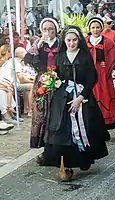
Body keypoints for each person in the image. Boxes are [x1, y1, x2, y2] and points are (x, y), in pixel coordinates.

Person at [42, 25, 109, 181]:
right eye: (68, 40)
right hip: (62, 97)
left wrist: (81, 97)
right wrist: (51, 81)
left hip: (82, 96)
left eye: (74, 40)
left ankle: (84, 158)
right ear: (64, 41)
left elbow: (92, 78)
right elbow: (55, 75)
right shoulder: (60, 57)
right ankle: (65, 165)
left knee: (85, 127)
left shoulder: (85, 57)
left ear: (79, 41)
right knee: (62, 129)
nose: (71, 43)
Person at [24, 18, 60, 160]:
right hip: (41, 82)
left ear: (55, 30)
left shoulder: (61, 43)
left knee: (56, 114)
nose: (48, 32)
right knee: (41, 114)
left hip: (57, 81)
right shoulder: (38, 44)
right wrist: (38, 44)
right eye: (45, 29)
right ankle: (44, 147)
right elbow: (28, 60)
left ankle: (56, 146)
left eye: (51, 29)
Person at [85, 17, 115, 139]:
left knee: (104, 100)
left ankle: (103, 129)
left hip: (103, 76)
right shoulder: (85, 41)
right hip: (89, 75)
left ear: (101, 28)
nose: (95, 30)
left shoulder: (107, 41)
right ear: (89, 29)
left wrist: (111, 68)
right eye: (93, 28)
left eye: (97, 27)